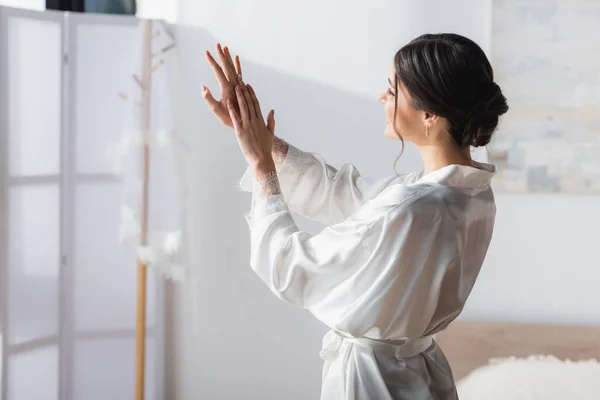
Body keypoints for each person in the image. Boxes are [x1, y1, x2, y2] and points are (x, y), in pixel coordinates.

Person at [201, 34, 508, 400]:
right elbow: (344, 194)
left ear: (429, 114)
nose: (383, 97)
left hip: (374, 384)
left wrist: (261, 164)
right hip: (419, 376)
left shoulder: (415, 208)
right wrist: (261, 142)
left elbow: (290, 267)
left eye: (393, 91)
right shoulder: (469, 192)